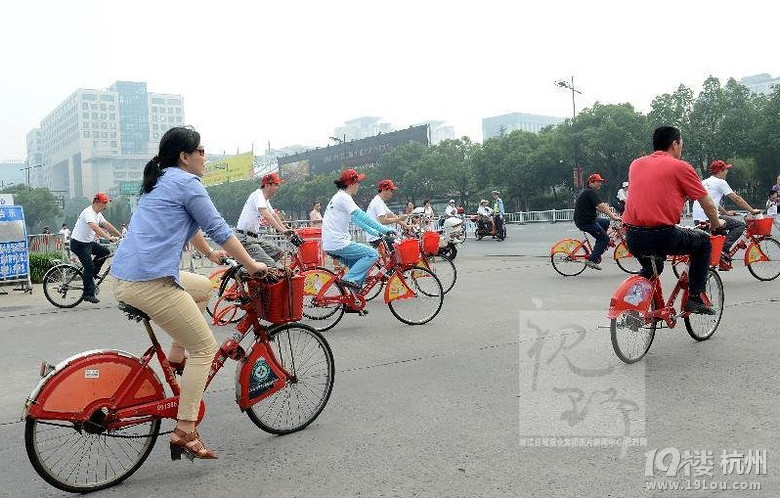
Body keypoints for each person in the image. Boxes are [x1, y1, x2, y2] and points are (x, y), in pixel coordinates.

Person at [112, 126, 268, 461]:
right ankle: (185, 430)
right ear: (185, 157)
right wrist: (252, 264)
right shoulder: (187, 183)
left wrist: (211, 256)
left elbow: (195, 228)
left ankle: (175, 357)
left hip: (129, 275)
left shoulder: (161, 180)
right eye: (200, 151)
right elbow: (219, 229)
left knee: (204, 286)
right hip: (149, 280)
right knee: (206, 348)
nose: (205, 157)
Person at [622, 126, 724, 315]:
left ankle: (633, 307)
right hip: (662, 235)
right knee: (702, 243)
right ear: (675, 143)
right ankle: (694, 298)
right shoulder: (681, 167)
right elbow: (708, 204)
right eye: (681, 143)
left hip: (633, 236)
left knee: (653, 267)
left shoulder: (635, 164)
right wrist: (716, 224)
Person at [321, 168, 395, 290]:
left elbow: (357, 221)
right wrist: (384, 230)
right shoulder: (344, 197)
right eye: (358, 182)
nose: (359, 185)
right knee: (372, 255)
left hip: (332, 242)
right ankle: (348, 279)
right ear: (352, 183)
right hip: (338, 242)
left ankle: (353, 299)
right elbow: (361, 215)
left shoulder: (339, 196)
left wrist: (375, 232)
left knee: (360, 271)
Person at [691, 160, 761, 261]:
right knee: (739, 225)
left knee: (722, 234)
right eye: (725, 170)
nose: (726, 172)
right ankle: (722, 250)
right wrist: (752, 210)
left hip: (698, 218)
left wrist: (726, 213)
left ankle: (721, 259)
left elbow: (712, 203)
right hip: (709, 218)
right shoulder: (720, 182)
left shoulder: (705, 182)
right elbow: (736, 198)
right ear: (720, 171)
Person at [70, 192, 122, 303]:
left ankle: (91, 276)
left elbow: (106, 224)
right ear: (97, 202)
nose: (106, 206)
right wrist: (109, 237)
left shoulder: (98, 214)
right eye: (104, 203)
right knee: (89, 267)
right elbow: (95, 227)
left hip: (88, 243)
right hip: (79, 244)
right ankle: (88, 294)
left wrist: (120, 235)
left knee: (105, 252)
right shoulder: (88, 212)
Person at [235, 172, 293, 268]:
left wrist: (285, 228)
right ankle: (257, 274)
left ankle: (258, 272)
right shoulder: (258, 195)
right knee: (270, 264)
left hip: (254, 237)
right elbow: (266, 215)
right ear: (267, 185)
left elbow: (274, 215)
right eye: (276, 185)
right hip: (244, 238)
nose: (278, 188)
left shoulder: (265, 199)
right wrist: (282, 230)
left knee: (278, 252)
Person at [573, 173, 622, 270]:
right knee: (605, 239)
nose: (600, 184)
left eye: (600, 182)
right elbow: (601, 206)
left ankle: (598, 247)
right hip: (586, 222)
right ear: (591, 183)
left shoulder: (589, 192)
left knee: (605, 222)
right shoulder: (589, 192)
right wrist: (613, 216)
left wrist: (612, 215)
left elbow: (600, 206)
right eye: (598, 182)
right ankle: (592, 260)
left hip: (589, 219)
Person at [365, 179, 410, 246]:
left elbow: (391, 215)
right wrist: (399, 219)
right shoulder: (378, 202)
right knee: (402, 245)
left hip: (380, 236)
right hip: (377, 238)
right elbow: (383, 221)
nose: (392, 193)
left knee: (401, 240)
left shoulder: (380, 201)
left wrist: (406, 226)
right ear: (384, 190)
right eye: (391, 190)